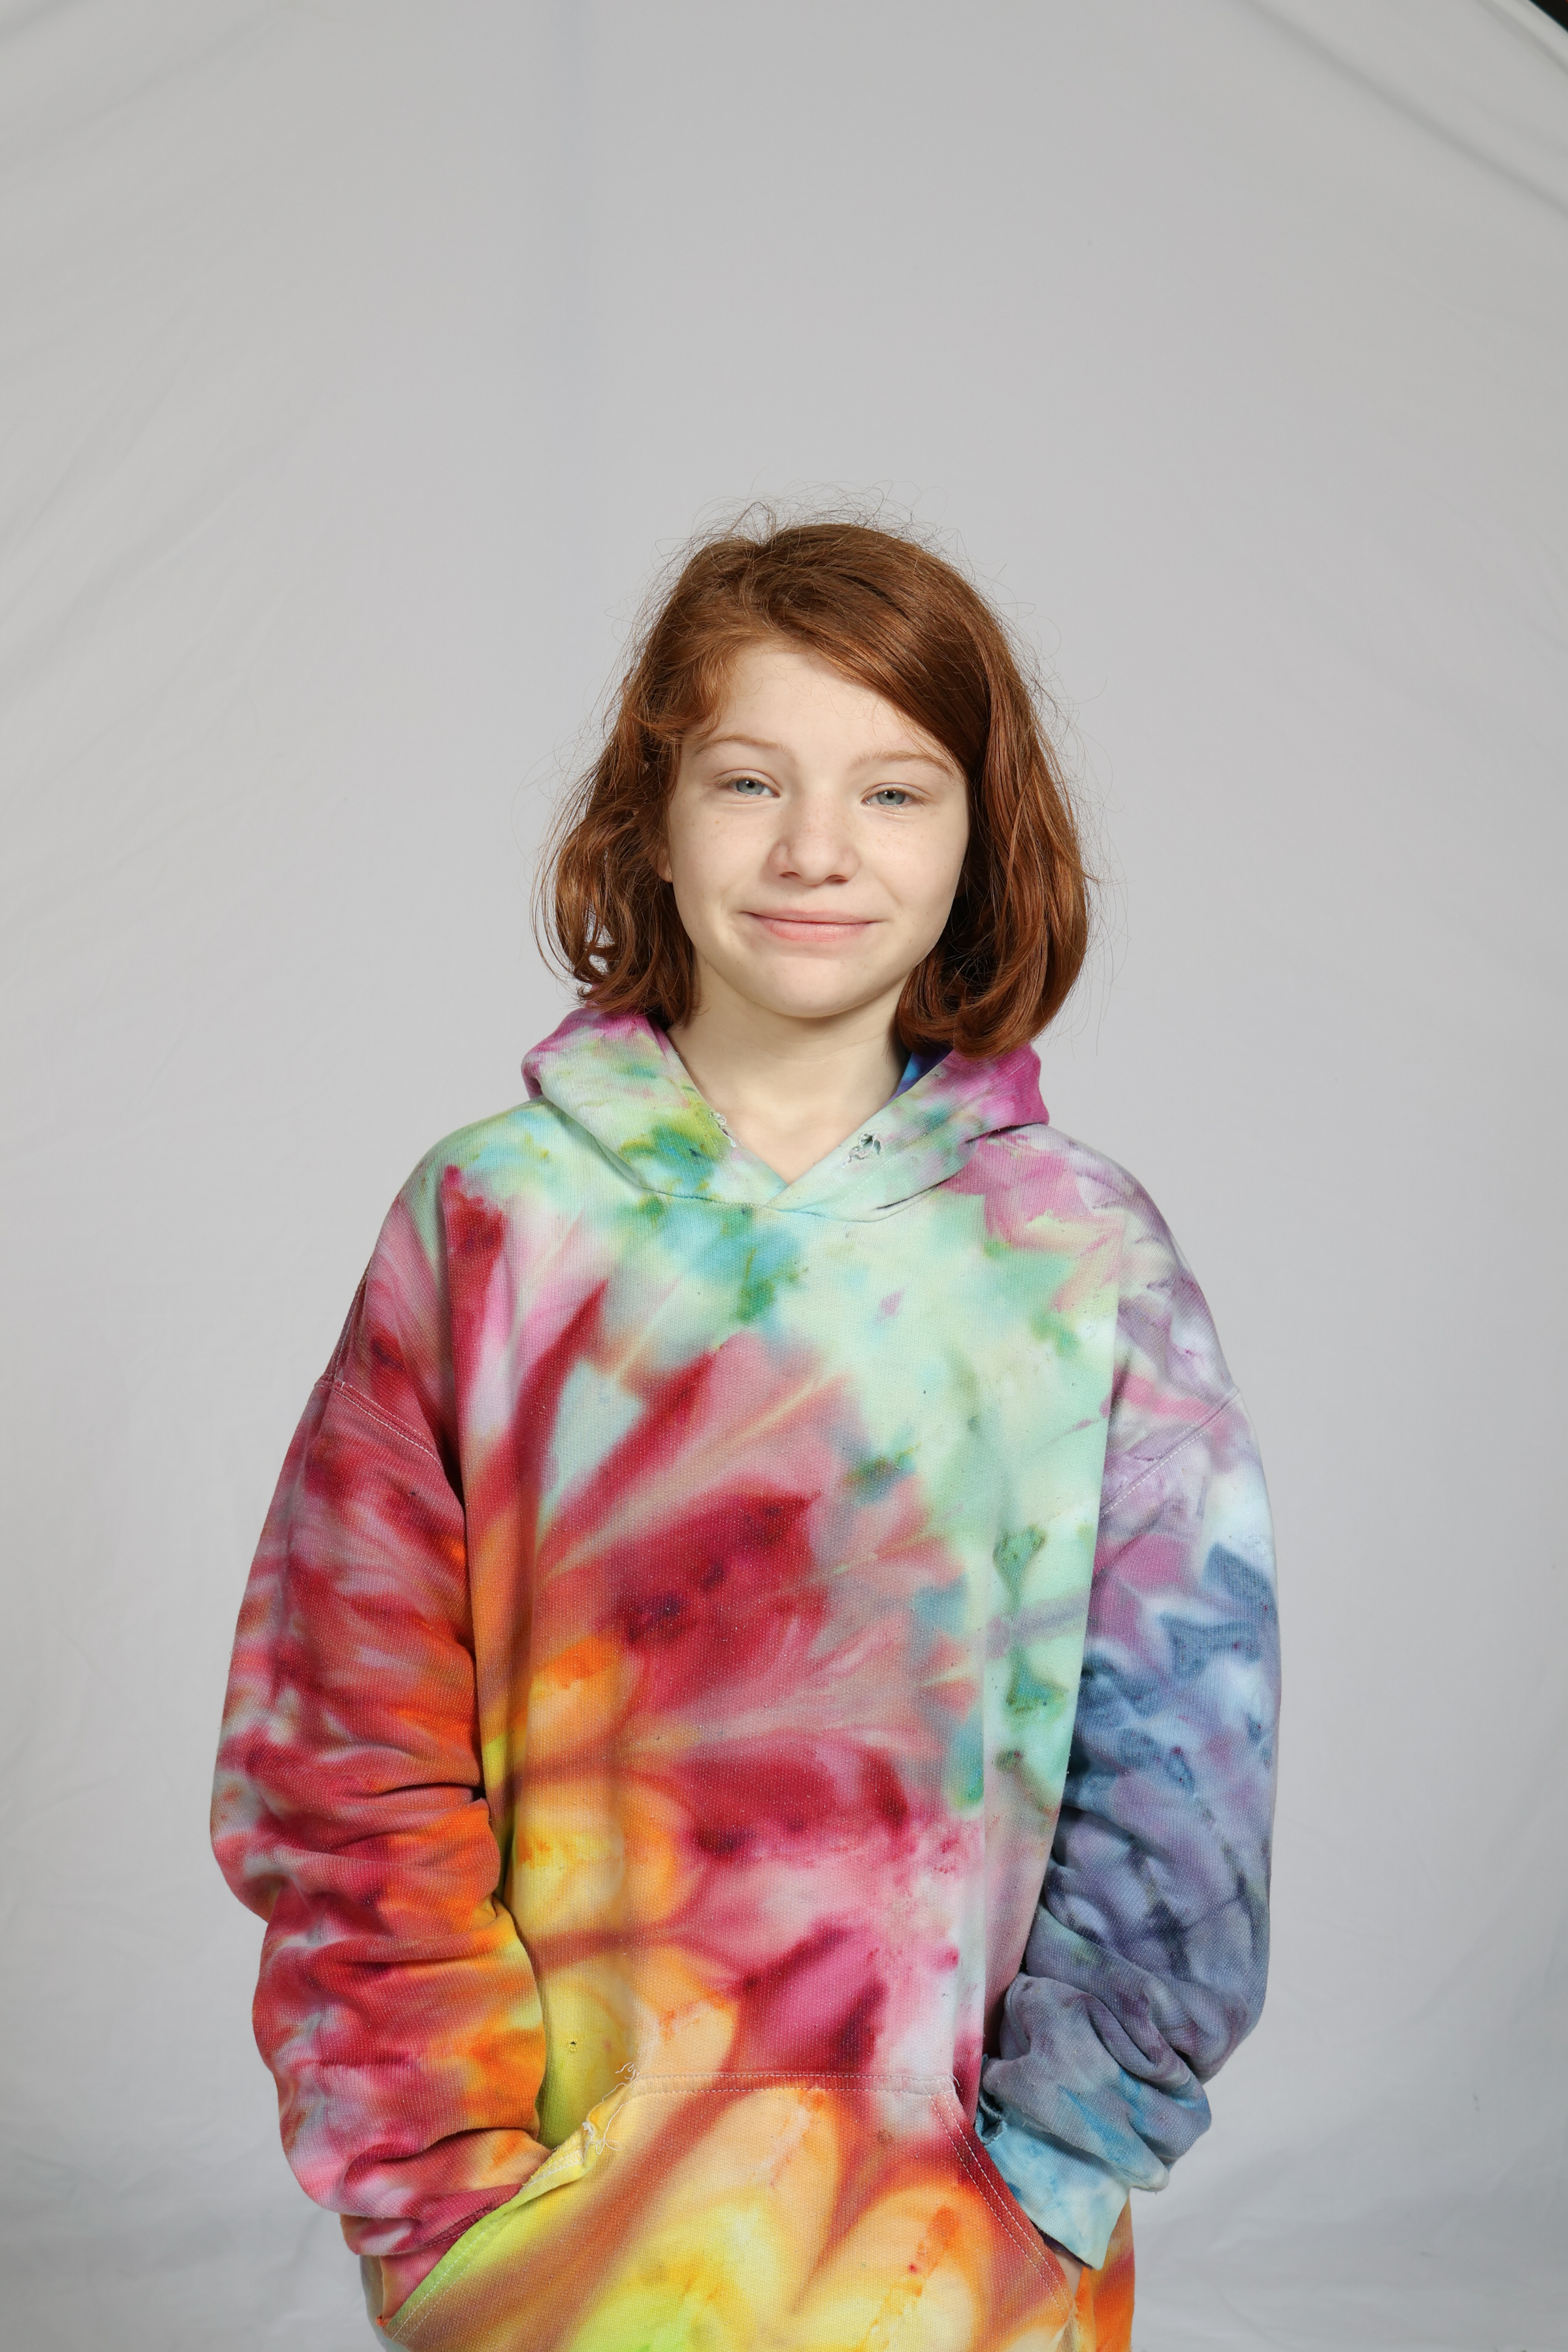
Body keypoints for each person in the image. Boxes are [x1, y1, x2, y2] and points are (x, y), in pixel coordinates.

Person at [212, 515, 1279, 2351]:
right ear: (653, 817)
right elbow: (345, 1758)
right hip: (553, 2275)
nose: (814, 850)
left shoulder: (1082, 1262)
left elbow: (1185, 1789)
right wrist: (441, 2198)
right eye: (749, 781)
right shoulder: (493, 1227)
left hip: (967, 2266)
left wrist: (1051, 2174)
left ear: (979, 839)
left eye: (894, 790)